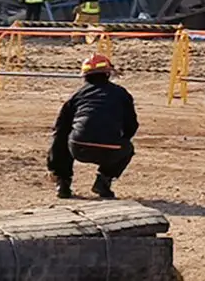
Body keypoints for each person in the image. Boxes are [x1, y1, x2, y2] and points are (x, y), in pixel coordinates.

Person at [47, 52, 138, 199]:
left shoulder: (77, 96)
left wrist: (53, 166)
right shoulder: (122, 94)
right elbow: (131, 126)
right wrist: (118, 139)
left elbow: (59, 129)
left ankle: (63, 184)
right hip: (112, 149)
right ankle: (103, 181)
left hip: (78, 146)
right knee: (127, 149)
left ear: (84, 76)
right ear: (108, 74)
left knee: (64, 138)